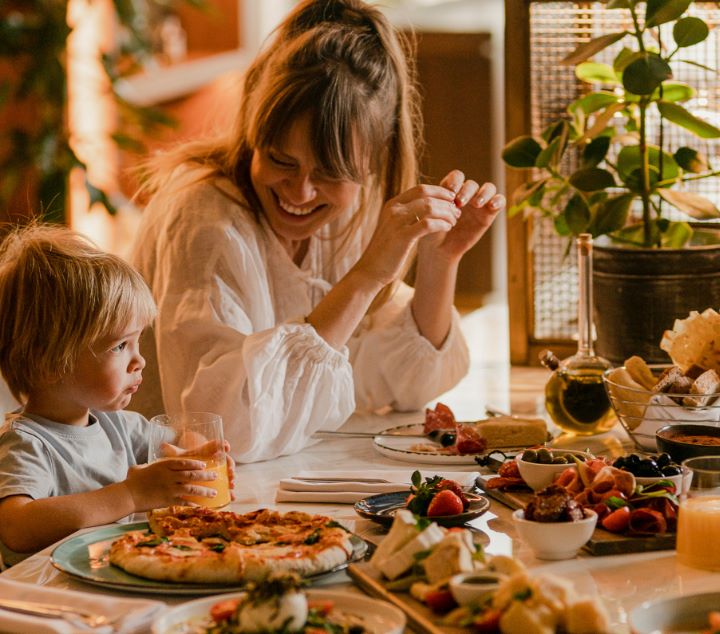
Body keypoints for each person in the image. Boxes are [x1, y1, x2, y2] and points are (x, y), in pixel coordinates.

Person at [130, 0, 505, 463]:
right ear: (253, 130)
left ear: (372, 163)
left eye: (329, 172)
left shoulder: (351, 211)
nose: (301, 191)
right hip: (172, 499)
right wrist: (366, 276)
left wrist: (439, 261)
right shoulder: (204, 221)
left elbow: (398, 387)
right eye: (281, 160)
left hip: (287, 476)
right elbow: (219, 431)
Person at [0, 224, 234, 566]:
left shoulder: (121, 427)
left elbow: (181, 437)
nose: (139, 360)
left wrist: (194, 460)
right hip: (47, 598)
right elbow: (15, 525)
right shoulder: (25, 444)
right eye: (120, 345)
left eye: (137, 340)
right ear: (50, 362)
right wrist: (129, 494)